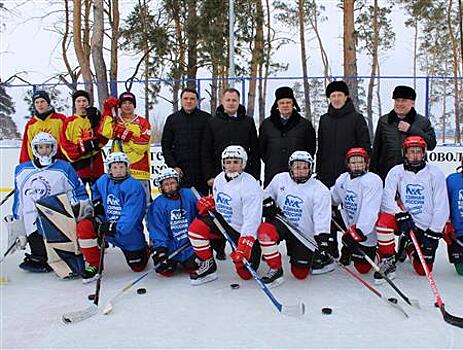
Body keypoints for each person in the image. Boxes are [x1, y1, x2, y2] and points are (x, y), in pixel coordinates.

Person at [11, 132, 88, 273]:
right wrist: (18, 228)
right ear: (35, 149)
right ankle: (39, 256)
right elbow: (19, 199)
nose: (44, 150)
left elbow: (77, 190)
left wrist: (78, 208)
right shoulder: (22, 170)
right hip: (32, 219)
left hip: (56, 219)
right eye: (40, 147)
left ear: (53, 148)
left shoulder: (64, 168)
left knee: (61, 252)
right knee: (40, 253)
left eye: (47, 147)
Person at [377, 136, 449, 283]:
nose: (415, 155)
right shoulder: (396, 172)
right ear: (405, 153)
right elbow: (387, 199)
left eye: (418, 151)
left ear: (424, 154)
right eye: (411, 151)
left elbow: (442, 206)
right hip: (405, 220)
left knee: (423, 270)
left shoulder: (434, 174)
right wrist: (400, 214)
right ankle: (388, 260)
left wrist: (433, 232)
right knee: (383, 222)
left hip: (425, 225)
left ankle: (408, 245)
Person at [187, 145, 262, 285]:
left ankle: (255, 252)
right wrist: (211, 202)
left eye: (236, 162)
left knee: (245, 274)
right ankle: (208, 266)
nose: (231, 166)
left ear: (243, 164)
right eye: (228, 162)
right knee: (196, 230)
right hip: (222, 220)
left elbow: (253, 218)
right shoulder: (220, 179)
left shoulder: (250, 185)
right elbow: (220, 199)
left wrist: (246, 243)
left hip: (242, 229)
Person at [316, 80, 371, 267]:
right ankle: (330, 248)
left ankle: (350, 247)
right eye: (333, 96)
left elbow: (365, 146)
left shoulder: (357, 118)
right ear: (329, 99)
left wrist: (361, 170)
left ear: (346, 97)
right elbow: (320, 148)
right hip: (327, 174)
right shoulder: (324, 119)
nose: (336, 98)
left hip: (351, 175)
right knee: (327, 212)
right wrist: (319, 171)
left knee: (350, 211)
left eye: (339, 95)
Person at [256, 151, 332, 287]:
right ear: (290, 167)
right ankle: (275, 269)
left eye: (305, 167)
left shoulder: (320, 190)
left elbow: (322, 217)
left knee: (300, 274)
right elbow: (265, 195)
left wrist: (323, 239)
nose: (301, 171)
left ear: (311, 168)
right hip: (283, 222)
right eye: (297, 167)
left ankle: (316, 258)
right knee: (265, 231)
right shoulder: (280, 179)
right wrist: (267, 204)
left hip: (303, 233)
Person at [76, 152, 150, 282]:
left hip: (128, 235)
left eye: (121, 167)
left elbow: (130, 217)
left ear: (127, 168)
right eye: (115, 167)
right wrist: (98, 205)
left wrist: (111, 227)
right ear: (109, 169)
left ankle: (145, 249)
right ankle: (94, 264)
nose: (118, 171)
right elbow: (96, 190)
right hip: (108, 225)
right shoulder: (104, 180)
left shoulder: (134, 187)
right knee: (84, 226)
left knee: (138, 267)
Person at [330, 148, 383, 274]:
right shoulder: (343, 179)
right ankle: (337, 251)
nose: (357, 165)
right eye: (353, 163)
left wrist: (357, 232)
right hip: (348, 221)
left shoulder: (372, 180)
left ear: (366, 164)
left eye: (360, 162)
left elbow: (370, 211)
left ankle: (381, 254)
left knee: (362, 268)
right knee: (325, 217)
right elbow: (333, 198)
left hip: (366, 229)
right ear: (348, 164)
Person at [370, 85, 437, 181]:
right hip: (387, 174)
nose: (399, 104)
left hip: (414, 175)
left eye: (404, 101)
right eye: (397, 100)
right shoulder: (384, 121)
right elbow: (377, 149)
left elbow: (431, 144)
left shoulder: (423, 122)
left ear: (412, 103)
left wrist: (411, 129)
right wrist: (373, 174)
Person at [99, 92, 152, 204]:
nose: (127, 105)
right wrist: (108, 111)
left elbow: (142, 146)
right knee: (120, 205)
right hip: (118, 172)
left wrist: (125, 135)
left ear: (134, 105)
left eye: (130, 103)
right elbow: (105, 132)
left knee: (144, 206)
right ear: (120, 106)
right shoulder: (116, 121)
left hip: (139, 172)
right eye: (124, 103)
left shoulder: (143, 122)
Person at [201, 88, 260, 185]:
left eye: (234, 100)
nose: (231, 103)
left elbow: (255, 151)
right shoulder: (212, 122)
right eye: (228, 100)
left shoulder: (248, 122)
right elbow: (206, 151)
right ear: (222, 101)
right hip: (219, 175)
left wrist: (255, 176)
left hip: (244, 174)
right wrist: (209, 176)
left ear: (239, 102)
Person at [259, 86, 316, 187]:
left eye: (288, 102)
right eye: (282, 103)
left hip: (298, 175)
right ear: (277, 104)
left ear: (293, 103)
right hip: (273, 172)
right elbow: (261, 149)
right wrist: (271, 160)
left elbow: (311, 148)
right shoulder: (267, 124)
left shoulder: (305, 124)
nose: (285, 105)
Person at [147, 168, 198, 277]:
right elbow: (157, 229)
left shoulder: (189, 194)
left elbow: (203, 213)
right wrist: (161, 251)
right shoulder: (157, 205)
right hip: (171, 247)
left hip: (189, 245)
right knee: (166, 271)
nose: (170, 186)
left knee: (193, 266)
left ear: (178, 182)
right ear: (161, 186)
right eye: (166, 184)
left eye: (172, 183)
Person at [161, 88, 211, 195]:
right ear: (181, 100)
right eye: (186, 98)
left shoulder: (206, 119)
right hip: (180, 173)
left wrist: (209, 173)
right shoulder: (172, 119)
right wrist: (173, 166)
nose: (189, 101)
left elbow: (211, 146)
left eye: (192, 99)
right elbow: (166, 145)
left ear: (197, 101)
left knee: (201, 207)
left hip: (202, 174)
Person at [60, 90, 108, 185]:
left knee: (97, 196)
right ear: (74, 104)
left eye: (84, 101)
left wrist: (96, 122)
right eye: (78, 101)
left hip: (96, 165)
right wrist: (81, 148)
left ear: (88, 103)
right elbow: (64, 145)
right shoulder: (69, 122)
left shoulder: (94, 118)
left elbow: (104, 139)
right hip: (78, 167)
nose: (82, 104)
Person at [19, 90, 67, 163]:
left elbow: (67, 141)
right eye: (37, 102)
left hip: (60, 161)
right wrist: (25, 165)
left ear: (48, 103)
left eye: (42, 101)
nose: (39, 105)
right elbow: (26, 148)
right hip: (40, 163)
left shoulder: (60, 119)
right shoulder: (31, 124)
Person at [444, 158, 463, 275]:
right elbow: (443, 206)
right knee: (461, 271)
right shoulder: (452, 180)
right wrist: (447, 223)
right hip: (458, 234)